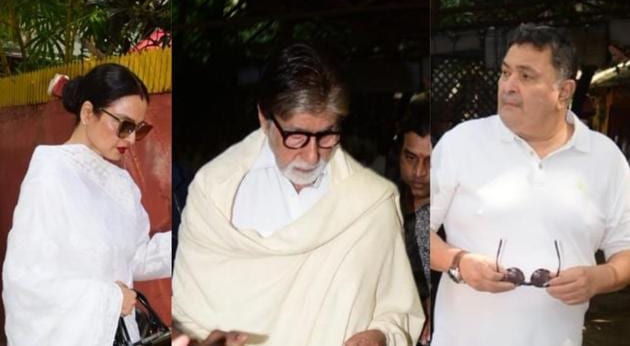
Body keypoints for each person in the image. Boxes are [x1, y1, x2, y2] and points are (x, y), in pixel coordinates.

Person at [173, 43, 423, 346]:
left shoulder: (372, 203)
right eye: (296, 136)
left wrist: (381, 336)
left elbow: (398, 313)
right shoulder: (214, 193)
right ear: (264, 118)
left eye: (327, 135)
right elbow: (185, 316)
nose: (312, 155)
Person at [430, 23, 630, 346]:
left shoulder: (605, 159)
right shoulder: (461, 144)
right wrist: (459, 262)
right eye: (505, 73)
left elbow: (626, 250)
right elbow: (415, 231)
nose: (508, 86)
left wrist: (599, 278)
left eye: (526, 76)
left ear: (563, 92)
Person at [2, 63, 172, 345]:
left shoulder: (121, 184)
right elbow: (26, 283)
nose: (130, 139)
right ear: (87, 113)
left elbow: (134, 258)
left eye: (139, 129)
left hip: (119, 335)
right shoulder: (51, 174)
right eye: (124, 125)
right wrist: (109, 299)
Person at [397, 98, 431, 345]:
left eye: (430, 161)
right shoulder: (383, 205)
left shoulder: (458, 216)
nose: (419, 172)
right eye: (411, 158)